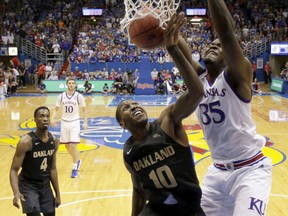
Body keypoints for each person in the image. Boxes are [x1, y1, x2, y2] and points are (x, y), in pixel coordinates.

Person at [177, 0, 272, 215]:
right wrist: (163, 25)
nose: (213, 45)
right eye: (211, 44)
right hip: (217, 172)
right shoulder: (198, 80)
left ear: (229, 55)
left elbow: (227, 33)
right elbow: (178, 47)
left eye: (219, 46)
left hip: (250, 170)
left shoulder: (237, 76)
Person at [116, 13, 205, 216]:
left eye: (135, 103)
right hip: (157, 210)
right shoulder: (129, 151)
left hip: (189, 209)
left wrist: (172, 49)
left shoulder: (166, 121)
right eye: (127, 108)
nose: (134, 106)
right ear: (123, 124)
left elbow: (197, 92)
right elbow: (138, 190)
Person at [9, 106, 61, 216]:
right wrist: (16, 192)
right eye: (41, 116)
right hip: (28, 185)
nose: (45, 119)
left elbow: (52, 169)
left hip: (45, 184)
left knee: (51, 213)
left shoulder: (54, 141)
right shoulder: (26, 142)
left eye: (47, 116)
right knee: (34, 213)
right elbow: (14, 170)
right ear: (35, 120)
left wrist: (58, 194)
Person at [51, 78, 87, 178]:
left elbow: (84, 110)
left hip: (75, 122)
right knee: (67, 146)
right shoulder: (61, 96)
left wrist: (85, 122)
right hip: (64, 122)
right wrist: (53, 118)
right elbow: (56, 109)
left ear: (75, 85)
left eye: (73, 83)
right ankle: (77, 160)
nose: (71, 85)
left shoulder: (79, 96)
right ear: (67, 85)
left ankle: (75, 167)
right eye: (69, 83)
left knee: (73, 145)